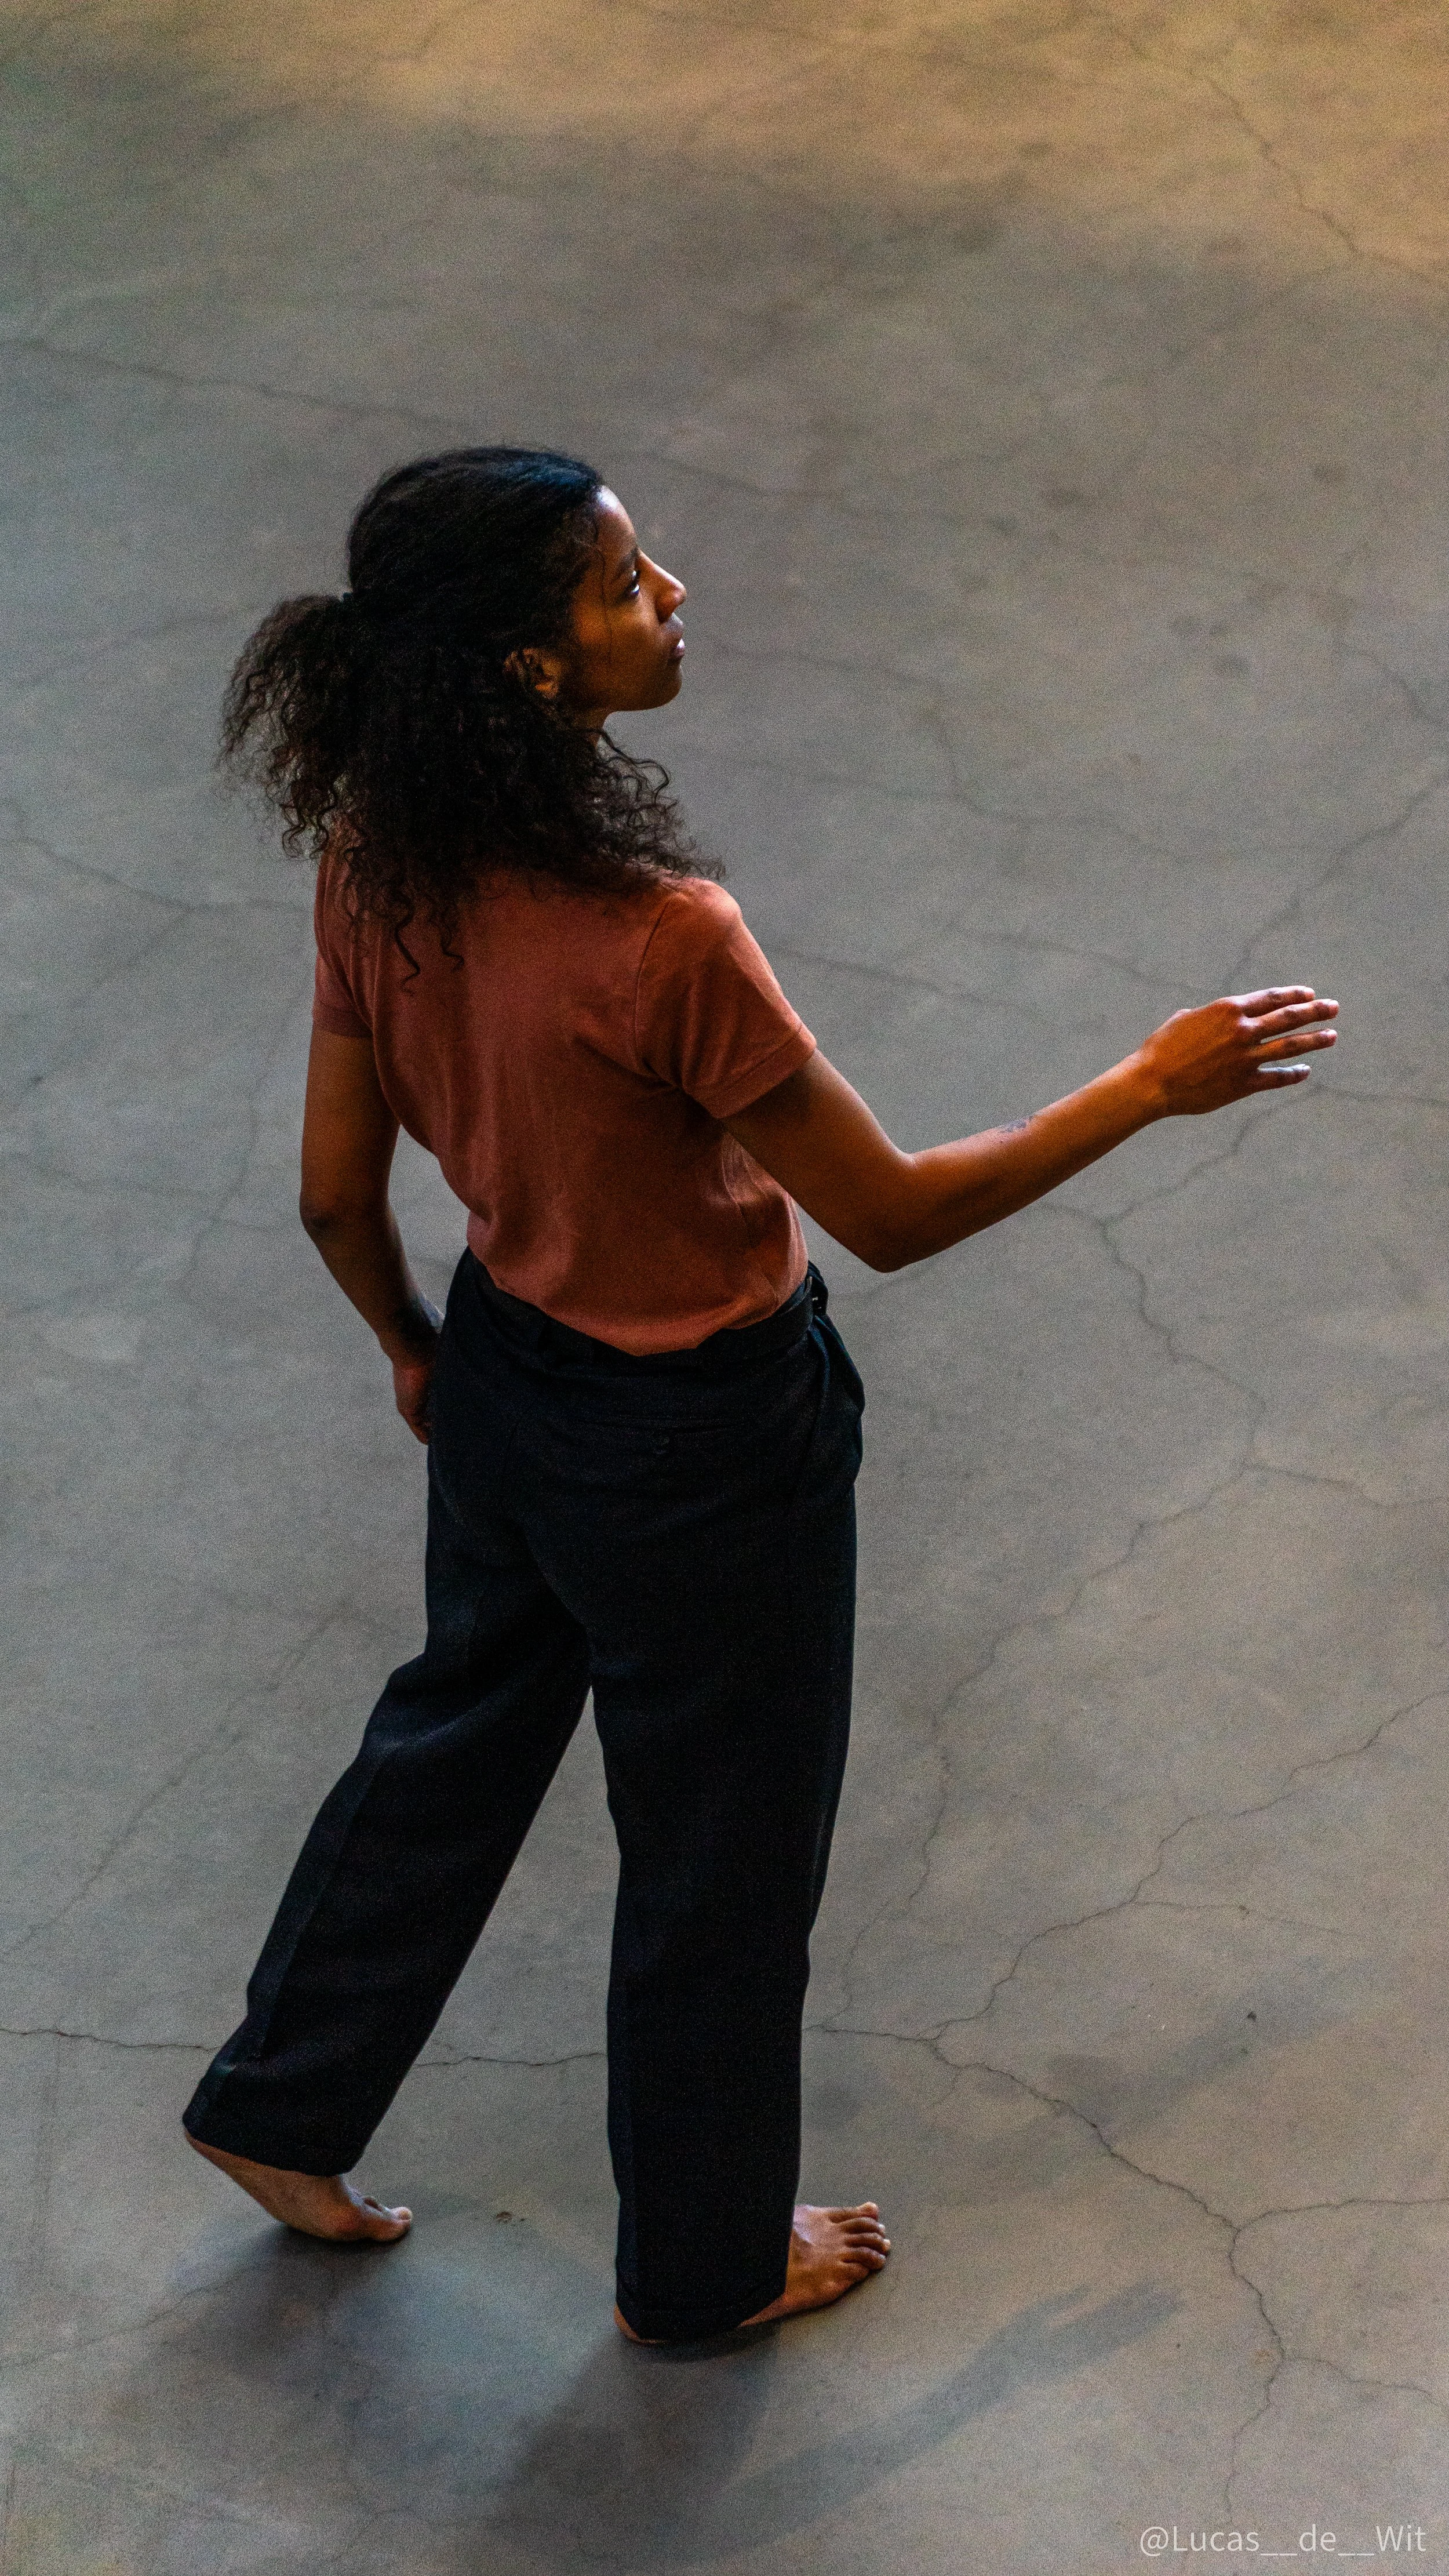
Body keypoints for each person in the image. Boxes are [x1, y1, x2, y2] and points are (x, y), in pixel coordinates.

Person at [182, 446, 1338, 2345]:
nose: (674, 596)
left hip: (504, 1379)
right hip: (707, 1447)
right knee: (718, 1865)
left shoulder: (371, 860)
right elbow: (887, 1214)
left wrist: (419, 1351)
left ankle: (276, 2110)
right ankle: (707, 2270)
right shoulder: (659, 941)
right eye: (624, 588)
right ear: (529, 671)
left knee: (447, 1745)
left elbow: (331, 1186)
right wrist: (1147, 1083)